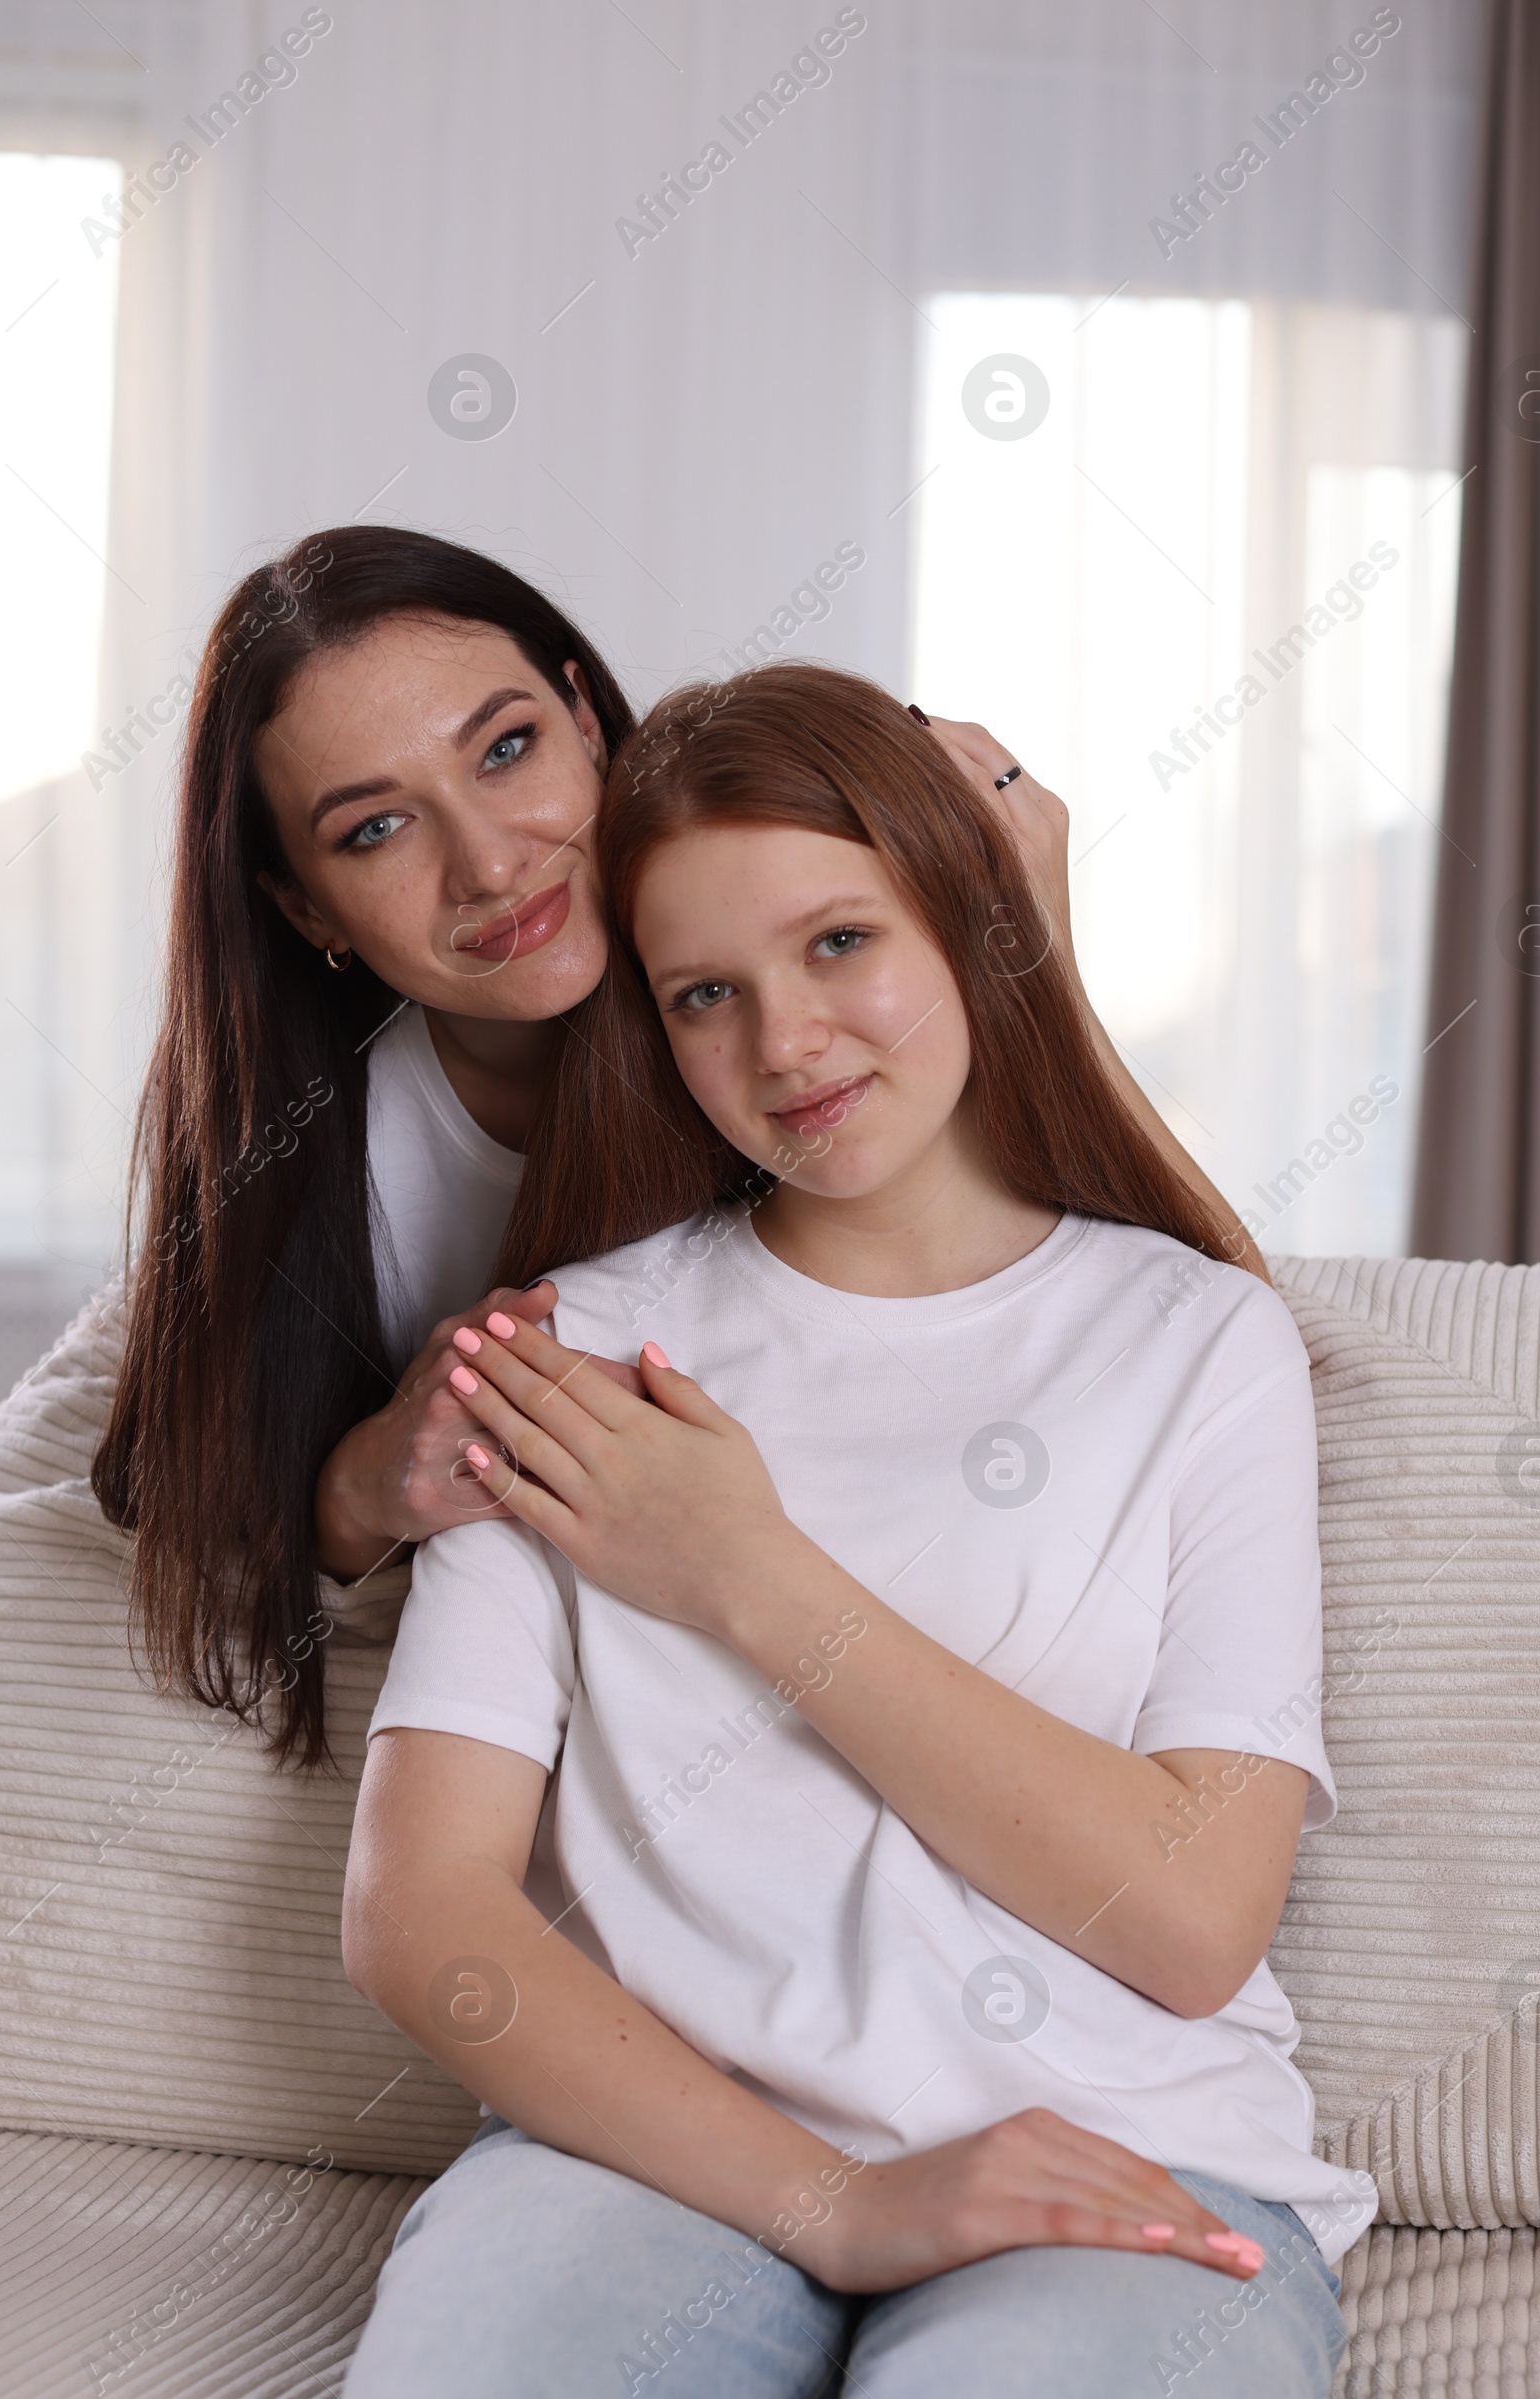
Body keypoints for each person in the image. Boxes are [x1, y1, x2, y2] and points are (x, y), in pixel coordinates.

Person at [340, 664, 1365, 2398]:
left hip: (1120, 2151)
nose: (787, 1043)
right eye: (704, 993)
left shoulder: (1201, 1340)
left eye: (838, 944)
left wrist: (745, 1571)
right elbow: (422, 1909)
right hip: (647, 2156)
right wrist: (839, 2197)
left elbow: (1192, 1916)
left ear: (968, 917)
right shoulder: (573, 1350)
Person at [93, 528, 1261, 1770]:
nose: (490, 862)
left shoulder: (810, 1051)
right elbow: (173, 1482)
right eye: (376, 830)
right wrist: (359, 1491)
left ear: (586, 718)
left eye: (506, 749)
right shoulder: (309, 1150)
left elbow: (1200, 1322)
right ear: (305, 905)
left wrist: (1028, 956)